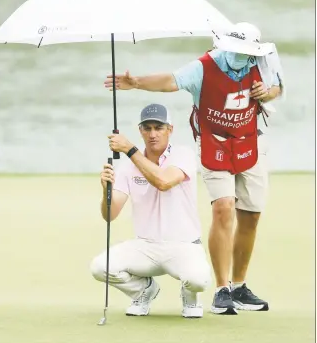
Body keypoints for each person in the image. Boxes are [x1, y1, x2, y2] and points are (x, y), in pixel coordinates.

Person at [104, 22, 284, 315]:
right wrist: (136, 82)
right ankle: (222, 289)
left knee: (251, 215)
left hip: (250, 141)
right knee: (223, 206)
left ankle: (239, 286)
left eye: (246, 51)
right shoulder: (205, 66)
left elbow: (277, 87)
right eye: (237, 50)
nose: (241, 55)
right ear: (225, 45)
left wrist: (267, 91)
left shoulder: (262, 60)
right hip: (213, 142)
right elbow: (171, 81)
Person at [90, 103, 212, 318]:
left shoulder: (183, 154)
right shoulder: (128, 167)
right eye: (147, 128)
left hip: (183, 244)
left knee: (198, 280)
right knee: (100, 267)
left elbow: (163, 181)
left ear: (170, 130)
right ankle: (144, 290)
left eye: (159, 127)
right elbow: (110, 215)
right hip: (145, 246)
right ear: (141, 131)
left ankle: (189, 294)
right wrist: (105, 191)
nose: (153, 134)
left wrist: (129, 149)